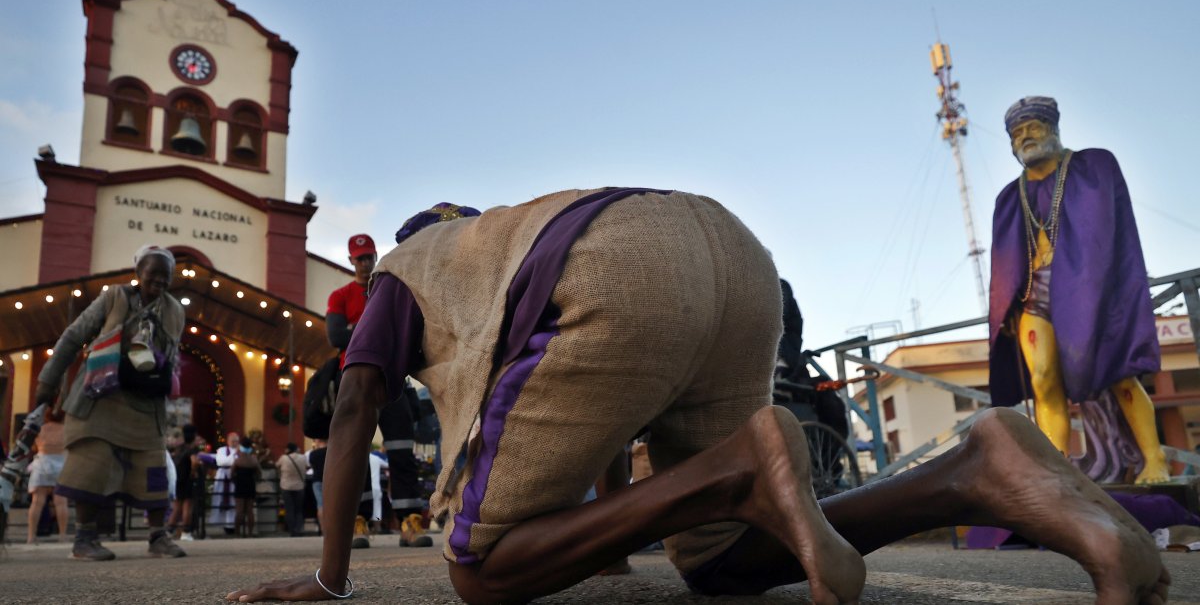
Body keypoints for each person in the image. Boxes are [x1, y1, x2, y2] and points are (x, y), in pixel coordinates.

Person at [228, 189, 1168, 605]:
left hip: (618, 269)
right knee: (720, 567)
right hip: (728, 252)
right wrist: (608, 544)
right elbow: (595, 402)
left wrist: (329, 574)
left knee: (479, 569)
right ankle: (978, 465)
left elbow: (351, 409)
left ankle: (738, 464)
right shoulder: (506, 236)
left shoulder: (406, 266)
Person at [988, 96, 1169, 484]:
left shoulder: (1094, 168)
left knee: (1118, 372)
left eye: (1032, 127)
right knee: (1043, 380)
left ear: (1052, 128)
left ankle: (1155, 460)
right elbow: (1005, 263)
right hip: (1034, 297)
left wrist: (1117, 289)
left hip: (1093, 288)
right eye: (1017, 133)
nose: (1025, 137)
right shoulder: (1009, 197)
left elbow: (1116, 235)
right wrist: (1003, 310)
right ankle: (1056, 473)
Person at [35, 244, 187, 560]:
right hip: (101, 398)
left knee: (154, 468)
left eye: (165, 277)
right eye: (152, 275)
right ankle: (84, 538)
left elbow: (170, 357)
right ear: (138, 273)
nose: (158, 282)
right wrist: (47, 382)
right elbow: (73, 338)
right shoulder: (114, 298)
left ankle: (158, 536)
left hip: (146, 404)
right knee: (92, 464)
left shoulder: (174, 310)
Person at [325, 233, 431, 549]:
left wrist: (362, 328)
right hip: (356, 380)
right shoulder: (342, 295)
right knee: (355, 451)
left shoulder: (390, 288)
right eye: (359, 258)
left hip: (392, 377)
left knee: (401, 452)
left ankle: (410, 520)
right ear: (350, 260)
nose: (365, 263)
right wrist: (381, 326)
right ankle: (357, 521)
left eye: (369, 256)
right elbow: (335, 336)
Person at [25, 408, 69, 543]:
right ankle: (62, 536)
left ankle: (31, 536)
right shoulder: (66, 429)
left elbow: (33, 446)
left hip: (42, 464)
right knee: (61, 502)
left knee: (37, 502)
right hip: (60, 464)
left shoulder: (41, 429)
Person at [167, 424, 199, 541]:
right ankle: (186, 531)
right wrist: (193, 472)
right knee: (187, 507)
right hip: (187, 480)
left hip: (177, 480)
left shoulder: (178, 449)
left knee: (176, 507)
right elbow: (194, 461)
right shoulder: (190, 449)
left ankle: (169, 530)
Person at [209, 432, 240, 532]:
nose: (235, 443)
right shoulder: (222, 450)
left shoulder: (241, 451)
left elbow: (239, 462)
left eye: (236, 441)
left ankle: (231, 525)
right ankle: (221, 523)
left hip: (234, 477)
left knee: (233, 501)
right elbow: (222, 462)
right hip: (223, 476)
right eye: (233, 441)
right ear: (228, 441)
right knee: (220, 499)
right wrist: (235, 454)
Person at [276, 443, 308, 537]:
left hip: (286, 487)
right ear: (296, 449)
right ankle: (299, 529)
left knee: (289, 509)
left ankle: (292, 530)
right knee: (299, 510)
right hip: (299, 486)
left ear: (288, 449)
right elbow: (307, 467)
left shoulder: (283, 458)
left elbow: (276, 465)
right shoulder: (303, 457)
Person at [232, 440, 260, 537]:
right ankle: (250, 533)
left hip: (239, 485)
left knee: (239, 510)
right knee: (250, 510)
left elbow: (232, 473)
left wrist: (235, 480)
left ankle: (237, 532)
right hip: (250, 485)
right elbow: (259, 473)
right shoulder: (253, 460)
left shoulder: (238, 460)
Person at [306, 439, 327, 532]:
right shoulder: (331, 451)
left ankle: (323, 529)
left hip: (317, 480)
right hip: (329, 479)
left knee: (320, 505)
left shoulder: (313, 454)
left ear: (318, 441)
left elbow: (311, 465)